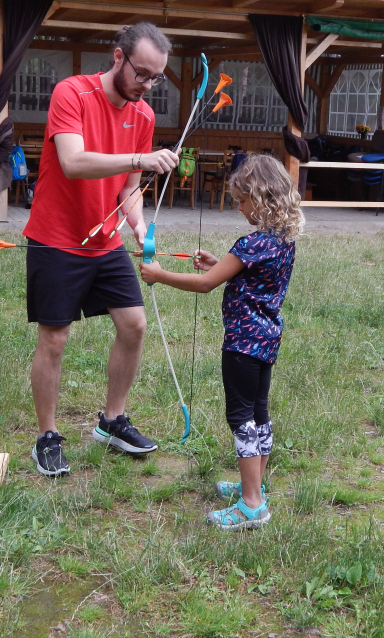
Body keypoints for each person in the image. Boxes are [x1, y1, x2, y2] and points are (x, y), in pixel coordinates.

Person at [23, 22, 180, 477]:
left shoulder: (143, 116)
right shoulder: (72, 93)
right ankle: (47, 436)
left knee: (134, 325)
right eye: (141, 73)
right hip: (56, 237)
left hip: (106, 239)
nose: (146, 85)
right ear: (118, 57)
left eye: (155, 78)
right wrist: (139, 159)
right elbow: (73, 162)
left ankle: (112, 421)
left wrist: (138, 225)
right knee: (55, 338)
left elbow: (128, 190)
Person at [140, 154, 304, 530]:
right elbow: (252, 278)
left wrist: (159, 274)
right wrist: (220, 263)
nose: (240, 208)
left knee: (241, 419)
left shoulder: (251, 243)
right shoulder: (282, 240)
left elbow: (204, 284)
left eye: (242, 201)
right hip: (266, 340)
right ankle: (254, 487)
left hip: (242, 346)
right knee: (258, 414)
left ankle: (251, 506)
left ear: (261, 198)